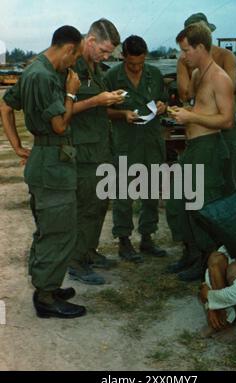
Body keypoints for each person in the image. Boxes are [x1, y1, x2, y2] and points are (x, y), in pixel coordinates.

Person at [0, 26, 86, 318]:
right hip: (52, 165)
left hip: (48, 161)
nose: (72, 66)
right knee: (57, 231)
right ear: (68, 49)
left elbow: (6, 105)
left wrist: (16, 144)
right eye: (73, 58)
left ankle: (47, 284)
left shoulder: (34, 69)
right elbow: (60, 125)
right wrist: (71, 94)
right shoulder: (43, 76)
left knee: (51, 227)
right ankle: (46, 298)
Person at [166, 23, 234, 281]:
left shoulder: (220, 78)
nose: (183, 56)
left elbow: (226, 121)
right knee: (179, 202)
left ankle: (207, 261)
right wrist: (180, 114)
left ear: (201, 48)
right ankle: (191, 253)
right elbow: (200, 109)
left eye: (186, 51)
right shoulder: (197, 74)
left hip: (208, 149)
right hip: (193, 147)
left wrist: (191, 116)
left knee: (201, 206)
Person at [67, 19, 125, 285]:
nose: (106, 57)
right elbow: (62, 110)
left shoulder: (96, 67)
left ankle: (89, 251)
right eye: (103, 51)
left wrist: (109, 99)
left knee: (99, 204)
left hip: (102, 147)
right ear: (90, 42)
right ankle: (76, 261)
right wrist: (98, 100)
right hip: (84, 152)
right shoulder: (71, 66)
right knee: (85, 206)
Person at [105, 35, 167, 261]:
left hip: (151, 141)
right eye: (131, 64)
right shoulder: (112, 76)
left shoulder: (155, 75)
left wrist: (163, 106)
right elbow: (102, 110)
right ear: (123, 57)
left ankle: (147, 238)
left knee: (151, 192)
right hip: (125, 142)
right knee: (124, 193)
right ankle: (123, 241)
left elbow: (164, 100)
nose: (136, 68)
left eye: (140, 63)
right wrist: (122, 114)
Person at [177, 12, 236, 196]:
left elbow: (230, 87)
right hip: (201, 131)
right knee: (200, 185)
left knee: (228, 177)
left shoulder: (226, 56)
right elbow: (185, 93)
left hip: (223, 125)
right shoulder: (186, 60)